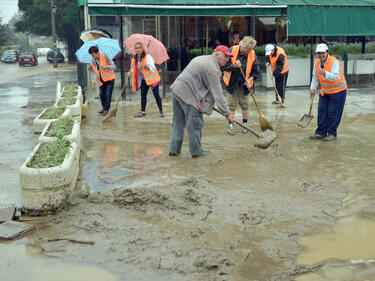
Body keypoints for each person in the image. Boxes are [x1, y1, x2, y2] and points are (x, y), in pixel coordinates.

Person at [169, 45, 234, 158]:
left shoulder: (203, 58)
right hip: (189, 95)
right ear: (217, 55)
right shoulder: (212, 68)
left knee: (178, 123)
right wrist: (227, 113)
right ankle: (196, 152)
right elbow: (217, 94)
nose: (227, 60)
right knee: (195, 123)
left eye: (229, 58)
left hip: (177, 90)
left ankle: (174, 150)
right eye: (226, 57)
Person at [309, 43, 347, 141]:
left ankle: (332, 133)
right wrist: (313, 88)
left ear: (327, 52)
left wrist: (324, 73)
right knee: (321, 111)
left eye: (322, 53)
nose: (321, 55)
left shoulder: (334, 62)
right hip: (325, 91)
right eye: (318, 53)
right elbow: (315, 77)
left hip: (338, 91)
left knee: (332, 113)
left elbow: (335, 76)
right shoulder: (317, 63)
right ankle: (320, 132)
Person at [222, 36, 259, 135]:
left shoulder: (252, 55)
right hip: (231, 84)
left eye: (251, 49)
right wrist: (234, 66)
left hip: (245, 86)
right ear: (242, 46)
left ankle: (245, 125)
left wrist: (250, 79)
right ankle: (231, 125)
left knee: (245, 105)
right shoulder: (231, 51)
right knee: (231, 106)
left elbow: (256, 72)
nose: (249, 51)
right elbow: (223, 66)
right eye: (248, 49)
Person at [129, 42, 164, 118]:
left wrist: (144, 65)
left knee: (156, 95)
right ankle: (143, 111)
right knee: (143, 95)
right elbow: (134, 69)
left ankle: (161, 111)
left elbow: (153, 68)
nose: (138, 49)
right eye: (136, 48)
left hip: (153, 79)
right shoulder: (134, 59)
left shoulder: (148, 57)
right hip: (144, 79)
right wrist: (130, 72)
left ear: (143, 49)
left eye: (139, 48)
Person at [89, 46, 116, 116]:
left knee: (107, 94)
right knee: (101, 94)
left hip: (110, 79)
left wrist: (105, 67)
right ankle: (103, 108)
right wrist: (94, 80)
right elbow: (95, 71)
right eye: (91, 55)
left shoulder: (105, 56)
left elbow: (114, 66)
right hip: (101, 79)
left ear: (97, 52)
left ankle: (106, 109)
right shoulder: (93, 60)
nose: (92, 56)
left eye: (93, 54)